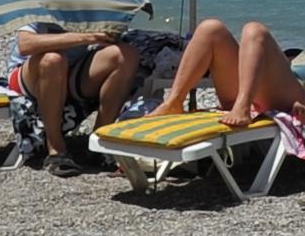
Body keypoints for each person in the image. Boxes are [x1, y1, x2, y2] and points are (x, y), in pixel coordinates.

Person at [10, 17, 186, 166]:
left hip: (74, 69)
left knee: (126, 55)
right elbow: (26, 45)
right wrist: (88, 37)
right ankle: (56, 148)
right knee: (53, 60)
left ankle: (98, 142)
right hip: (31, 71)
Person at [159, 16, 305, 122]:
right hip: (253, 90)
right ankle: (174, 102)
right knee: (210, 28)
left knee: (254, 30)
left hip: (287, 98)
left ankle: (243, 105)